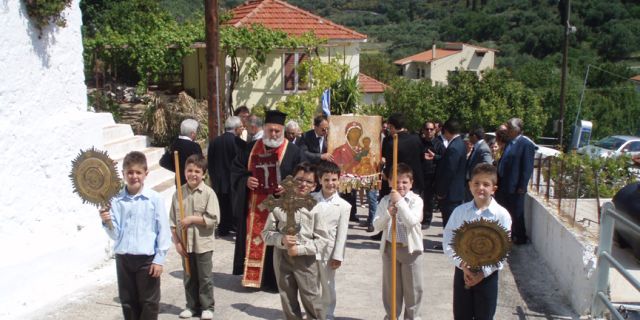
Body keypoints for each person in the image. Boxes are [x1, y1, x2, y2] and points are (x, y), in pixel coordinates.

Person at [230, 110, 303, 291]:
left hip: (281, 206)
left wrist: (289, 186)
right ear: (264, 128)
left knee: (277, 241)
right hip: (255, 206)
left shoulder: (294, 151)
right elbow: (236, 170)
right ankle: (254, 278)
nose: (273, 134)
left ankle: (274, 281)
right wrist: (245, 180)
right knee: (256, 239)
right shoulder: (251, 148)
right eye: (270, 130)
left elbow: (303, 176)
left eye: (277, 131)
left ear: (283, 130)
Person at [99, 151, 171, 320]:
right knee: (128, 301)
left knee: (149, 302)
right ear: (123, 174)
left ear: (146, 173)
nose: (134, 176)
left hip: (146, 260)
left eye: (138, 172)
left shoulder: (154, 199)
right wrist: (107, 221)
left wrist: (159, 259)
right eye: (129, 172)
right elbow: (115, 234)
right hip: (124, 258)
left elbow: (163, 231)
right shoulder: (116, 200)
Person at [442, 163, 512, 320]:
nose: (481, 187)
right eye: (476, 183)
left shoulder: (501, 215)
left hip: (488, 276)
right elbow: (448, 240)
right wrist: (462, 266)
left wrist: (482, 273)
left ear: (494, 188)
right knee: (461, 315)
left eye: (486, 184)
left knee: (485, 315)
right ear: (469, 186)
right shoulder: (460, 212)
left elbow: (504, 250)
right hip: (463, 272)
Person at [261, 162, 325, 320]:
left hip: (306, 260)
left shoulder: (316, 209)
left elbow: (322, 241)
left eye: (308, 181)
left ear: (314, 186)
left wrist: (301, 249)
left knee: (311, 299)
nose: (303, 184)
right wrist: (281, 239)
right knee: (287, 298)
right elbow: (266, 234)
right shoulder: (278, 205)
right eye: (299, 180)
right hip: (282, 257)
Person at [170, 155, 220, 320]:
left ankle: (207, 307)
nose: (193, 174)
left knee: (204, 277)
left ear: (204, 174)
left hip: (202, 244)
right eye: (189, 170)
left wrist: (193, 219)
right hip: (185, 243)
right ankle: (191, 306)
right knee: (189, 276)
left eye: (197, 171)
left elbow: (213, 219)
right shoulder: (178, 193)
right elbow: (172, 222)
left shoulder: (208, 193)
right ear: (184, 172)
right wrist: (177, 242)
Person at [372, 163, 424, 320]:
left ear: (411, 183)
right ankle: (391, 316)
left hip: (410, 250)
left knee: (413, 289)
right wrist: (388, 213)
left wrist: (400, 202)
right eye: (396, 182)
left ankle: (413, 317)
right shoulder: (385, 201)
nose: (400, 185)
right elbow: (377, 225)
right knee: (391, 289)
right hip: (390, 248)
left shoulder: (416, 201)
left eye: (404, 182)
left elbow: (412, 221)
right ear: (389, 182)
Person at [312, 161, 351, 319]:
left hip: (329, 252)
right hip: (310, 248)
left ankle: (328, 313)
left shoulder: (343, 206)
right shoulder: (311, 199)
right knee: (311, 284)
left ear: (339, 180)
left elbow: (342, 234)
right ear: (319, 180)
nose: (330, 183)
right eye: (326, 179)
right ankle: (313, 311)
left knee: (328, 285)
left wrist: (338, 255)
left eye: (334, 180)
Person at [496, 118, 535, 245]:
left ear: (516, 130)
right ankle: (507, 235)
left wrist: (522, 186)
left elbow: (527, 167)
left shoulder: (525, 144)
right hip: (503, 183)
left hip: (515, 186)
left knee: (516, 213)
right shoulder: (509, 142)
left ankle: (520, 238)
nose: (507, 131)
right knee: (504, 212)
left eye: (509, 128)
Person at [208, 116, 246, 236]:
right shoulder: (237, 142)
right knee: (234, 205)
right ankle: (234, 226)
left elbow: (210, 161)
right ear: (235, 129)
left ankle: (223, 228)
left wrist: (213, 177)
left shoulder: (215, 141)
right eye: (240, 127)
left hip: (218, 180)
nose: (241, 130)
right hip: (233, 180)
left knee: (222, 205)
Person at [434, 119, 467, 239]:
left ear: (446, 131)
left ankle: (450, 243)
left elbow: (449, 171)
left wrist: (441, 192)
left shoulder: (454, 147)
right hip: (455, 191)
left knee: (450, 220)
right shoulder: (460, 143)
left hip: (450, 192)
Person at [160, 119, 203, 186]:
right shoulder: (194, 146)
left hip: (179, 181)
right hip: (193, 181)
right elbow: (201, 165)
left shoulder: (174, 144)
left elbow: (163, 162)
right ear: (192, 133)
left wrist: (178, 170)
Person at [421, 121, 445, 228]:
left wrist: (435, 156)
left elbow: (445, 159)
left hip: (432, 176)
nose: (429, 131)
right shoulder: (419, 143)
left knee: (428, 199)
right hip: (420, 174)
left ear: (435, 131)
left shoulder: (439, 144)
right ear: (423, 130)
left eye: (431, 129)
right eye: (427, 129)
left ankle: (427, 220)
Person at [465, 127, 493, 201]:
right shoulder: (477, 147)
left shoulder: (483, 148)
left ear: (474, 136)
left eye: (469, 136)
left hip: (477, 183)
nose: (469, 139)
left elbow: (487, 166)